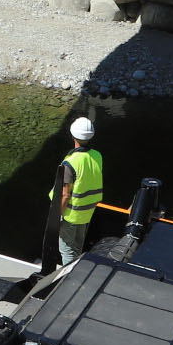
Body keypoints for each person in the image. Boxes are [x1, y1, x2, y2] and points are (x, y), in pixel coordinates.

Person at [47, 116, 104, 270]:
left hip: (70, 214)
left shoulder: (70, 163)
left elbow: (65, 194)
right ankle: (76, 270)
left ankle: (68, 278)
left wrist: (56, 218)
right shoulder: (97, 156)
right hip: (86, 212)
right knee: (77, 247)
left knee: (67, 250)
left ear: (73, 135)